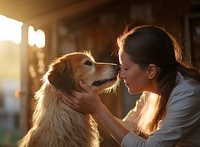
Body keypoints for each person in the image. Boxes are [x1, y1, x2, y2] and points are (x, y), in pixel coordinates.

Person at [61, 25, 200, 147]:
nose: (120, 75)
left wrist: (98, 109)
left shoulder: (187, 94)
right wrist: (91, 108)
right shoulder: (153, 90)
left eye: (126, 68)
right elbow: (130, 128)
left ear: (151, 71)